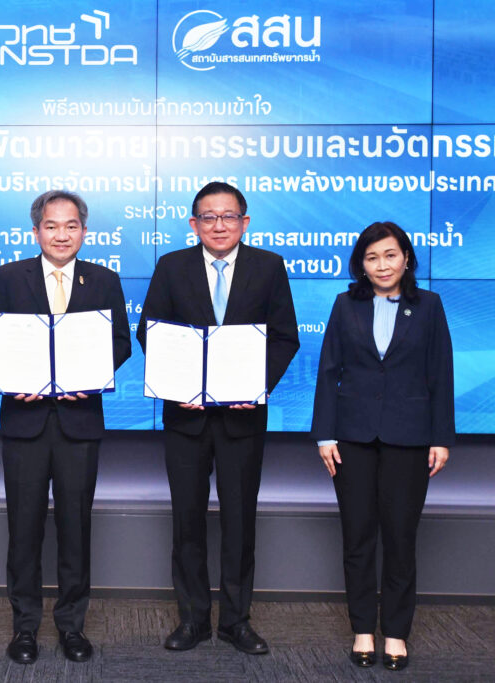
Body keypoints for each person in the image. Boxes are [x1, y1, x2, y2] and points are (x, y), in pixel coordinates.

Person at [137, 182, 299, 655]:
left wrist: (257, 386)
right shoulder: (172, 266)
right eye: (209, 217)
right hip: (185, 418)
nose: (219, 225)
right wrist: (176, 384)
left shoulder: (269, 266)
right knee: (187, 521)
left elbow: (285, 337)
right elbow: (151, 332)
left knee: (240, 522)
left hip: (242, 420)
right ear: (194, 224)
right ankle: (192, 620)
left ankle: (235, 621)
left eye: (229, 216)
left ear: (244, 223)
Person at [0, 190, 131, 665]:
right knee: (23, 528)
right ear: (36, 231)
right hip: (24, 422)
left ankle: (71, 626)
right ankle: (24, 628)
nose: (61, 235)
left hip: (79, 424)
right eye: (51, 225)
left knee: (75, 528)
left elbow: (120, 342)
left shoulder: (103, 279)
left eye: (71, 226)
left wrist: (93, 377)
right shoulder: (10, 276)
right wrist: (11, 378)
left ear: (84, 231)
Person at [310, 221, 454, 671]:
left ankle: (395, 633)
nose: (382, 265)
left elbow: (441, 373)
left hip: (409, 438)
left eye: (390, 255)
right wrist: (324, 434)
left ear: (406, 258)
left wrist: (441, 438)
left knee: (400, 538)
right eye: (372, 258)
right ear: (361, 264)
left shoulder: (428, 305)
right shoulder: (345, 304)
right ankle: (362, 630)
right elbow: (328, 370)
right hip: (351, 438)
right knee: (357, 537)